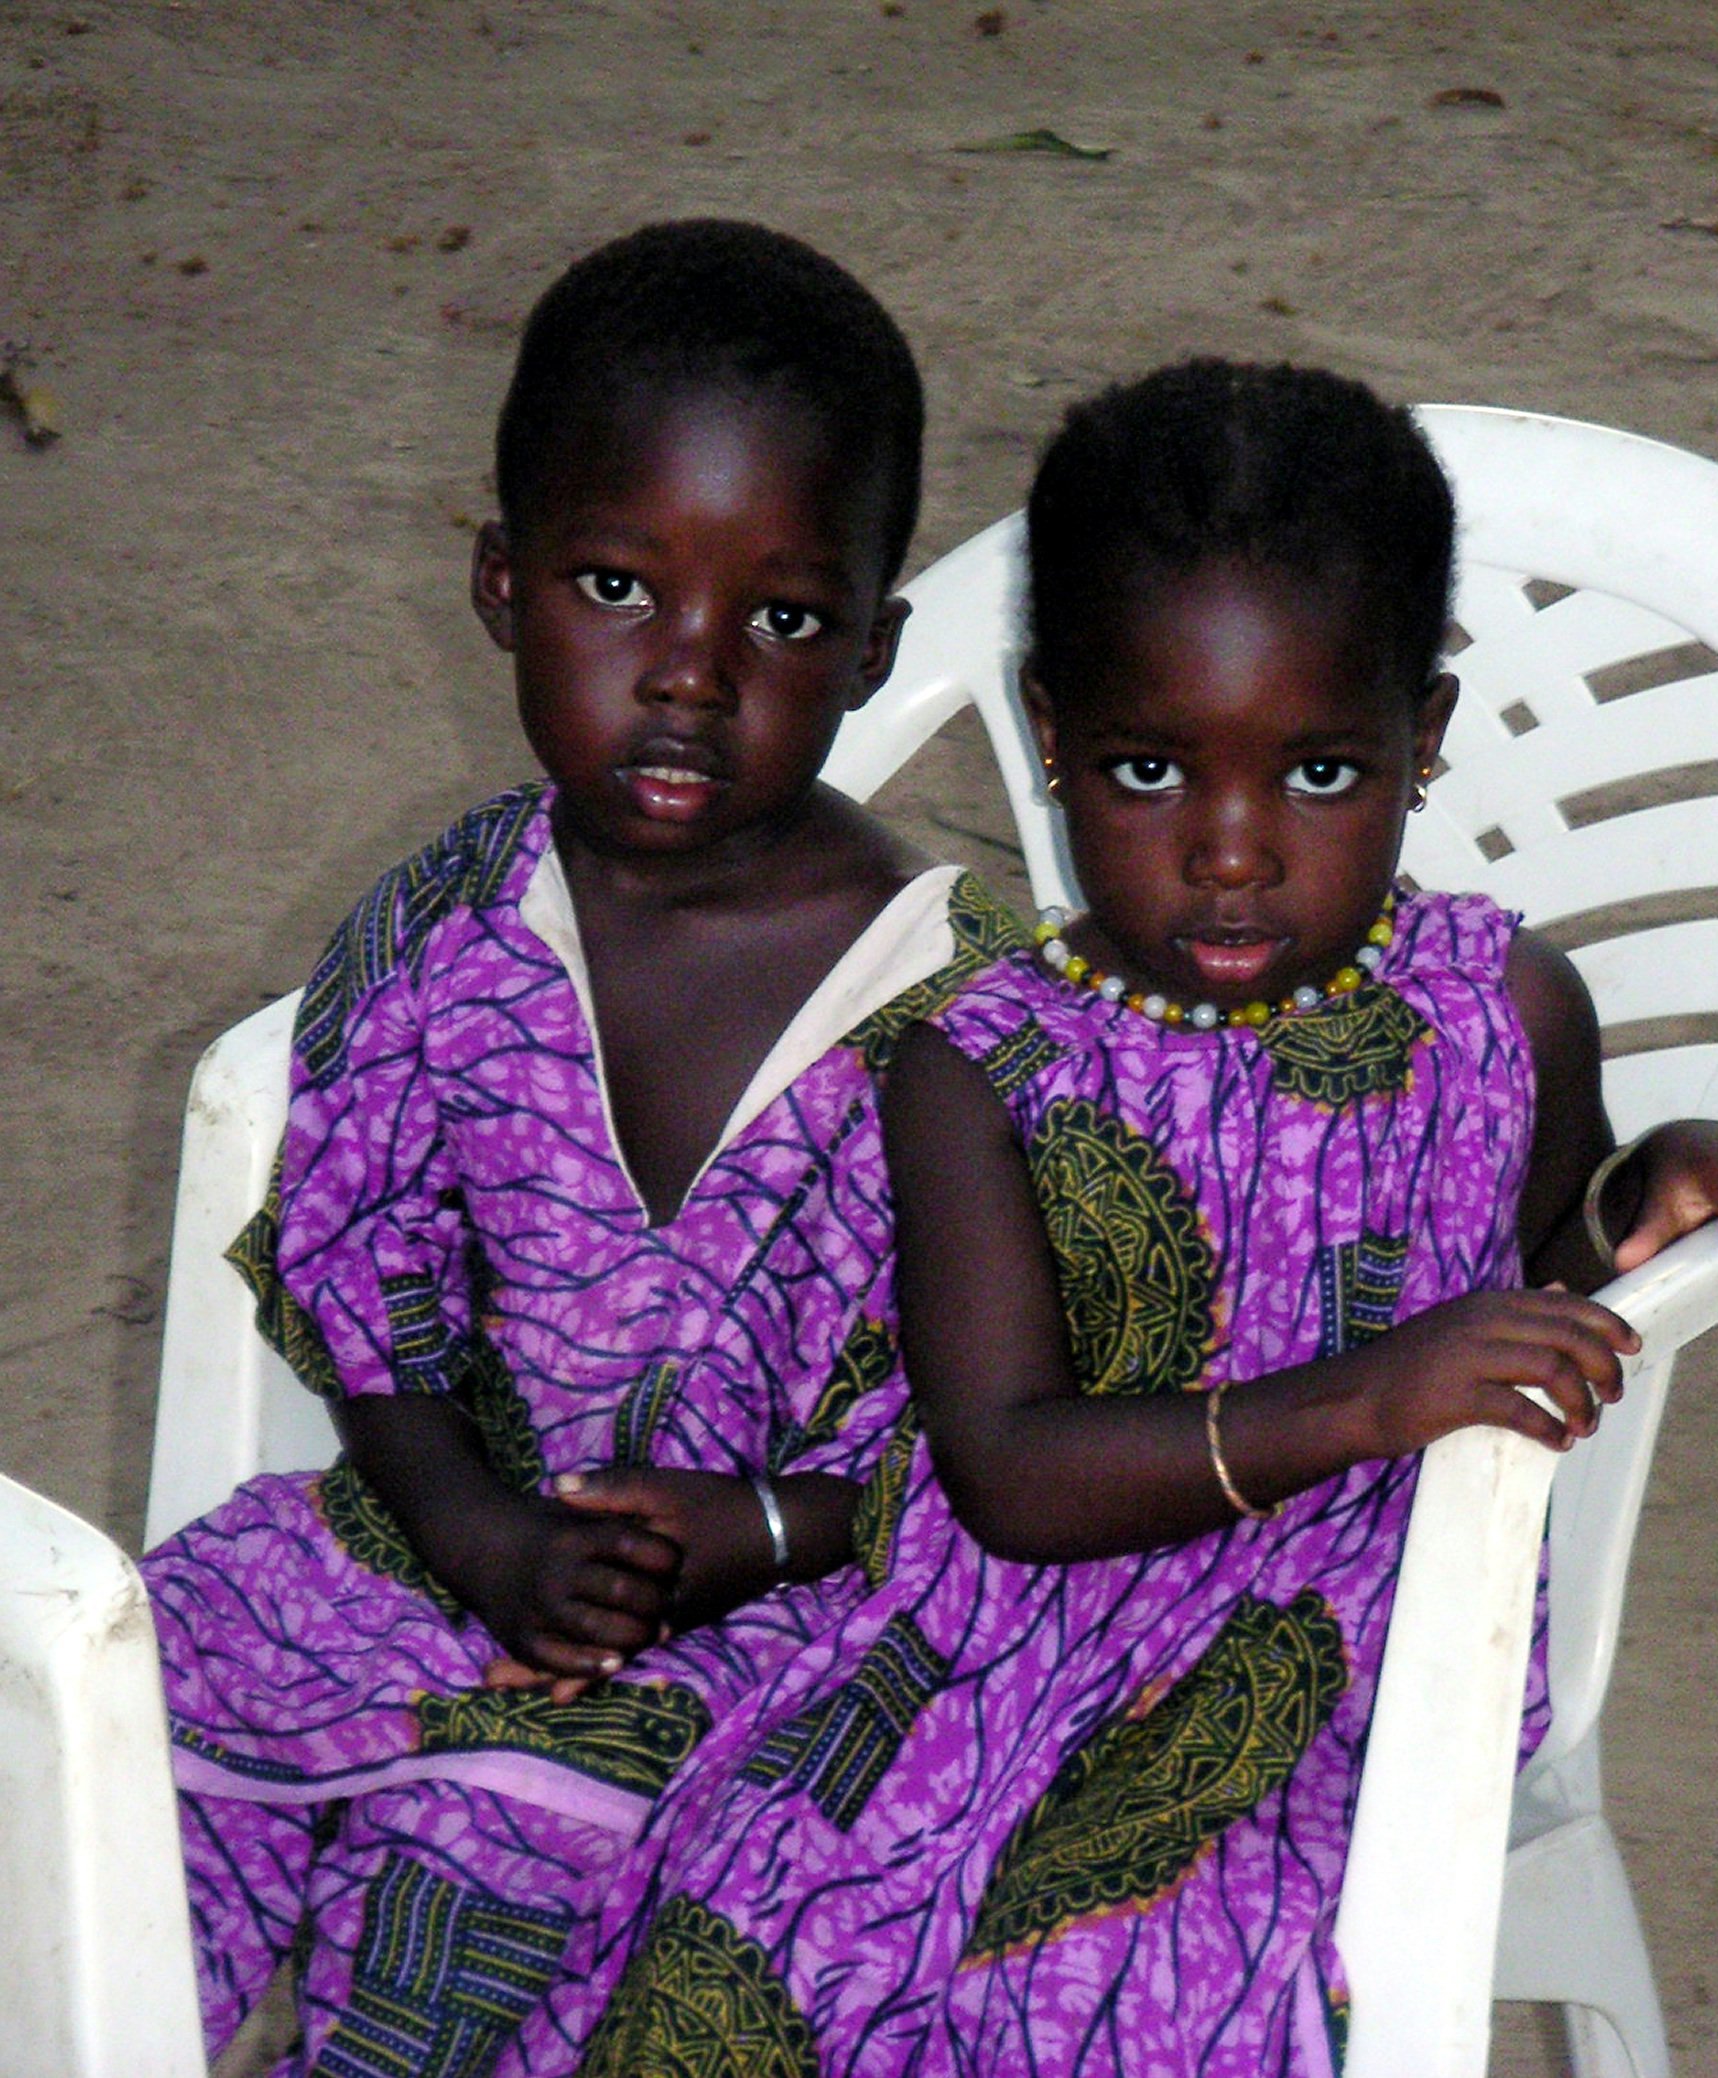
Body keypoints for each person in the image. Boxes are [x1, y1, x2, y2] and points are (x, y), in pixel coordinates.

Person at [492, 361, 1718, 2076]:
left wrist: (1665, 1173)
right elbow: (1008, 1470)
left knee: (1119, 1993)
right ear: (1051, 733)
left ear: (1422, 742)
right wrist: (1368, 1395)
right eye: (1147, 771)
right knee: (762, 1919)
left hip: (1367, 1650)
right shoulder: (976, 1070)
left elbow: (1545, 1287)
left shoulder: (1504, 1004)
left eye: (1320, 776)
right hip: (1000, 1637)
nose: (1229, 851)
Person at [142, 218, 1026, 2073]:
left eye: (779, 619)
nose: (691, 671)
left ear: (874, 647)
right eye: (620, 587)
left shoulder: (976, 1023)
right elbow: (369, 1293)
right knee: (119, 1740)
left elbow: (1030, 1446)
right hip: (453, 1549)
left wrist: (769, 1523)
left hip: (812, 1635)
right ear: (502, 584)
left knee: (488, 1853)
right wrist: (478, 1536)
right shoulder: (444, 927)